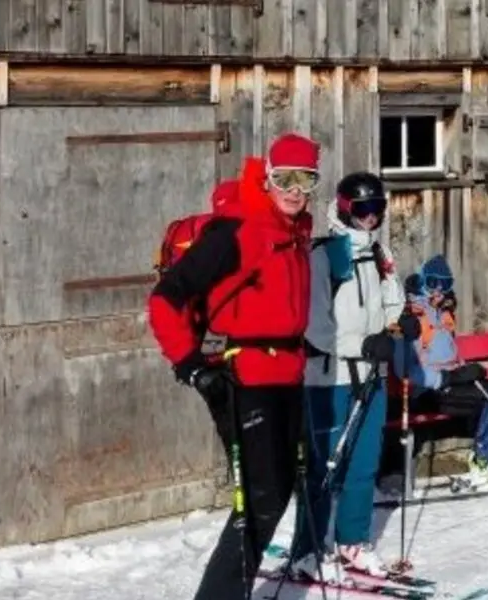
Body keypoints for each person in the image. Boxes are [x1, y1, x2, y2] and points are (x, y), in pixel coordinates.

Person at [147, 132, 320, 599]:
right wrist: (189, 364)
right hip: (248, 379)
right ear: (266, 178)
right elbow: (166, 299)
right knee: (257, 502)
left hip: (288, 374)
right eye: (284, 178)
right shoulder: (239, 229)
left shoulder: (294, 230)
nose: (295, 189)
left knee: (277, 494)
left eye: (307, 179)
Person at [289, 172, 407, 579]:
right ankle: (307, 549)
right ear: (343, 208)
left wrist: (400, 323)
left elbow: (393, 300)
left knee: (364, 463)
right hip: (331, 377)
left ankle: (352, 542)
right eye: (362, 209)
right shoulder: (325, 255)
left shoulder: (379, 252)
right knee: (325, 466)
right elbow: (314, 326)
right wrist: (363, 345)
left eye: (377, 209)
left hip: (372, 374)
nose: (370, 218)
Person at [396, 256, 488, 490]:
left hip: (452, 383)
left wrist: (468, 371)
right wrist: (449, 378)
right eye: (432, 282)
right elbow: (405, 371)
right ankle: (484, 459)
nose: (438, 291)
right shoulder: (410, 318)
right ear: (421, 282)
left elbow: (449, 355)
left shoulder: (443, 315)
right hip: (426, 392)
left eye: (445, 284)